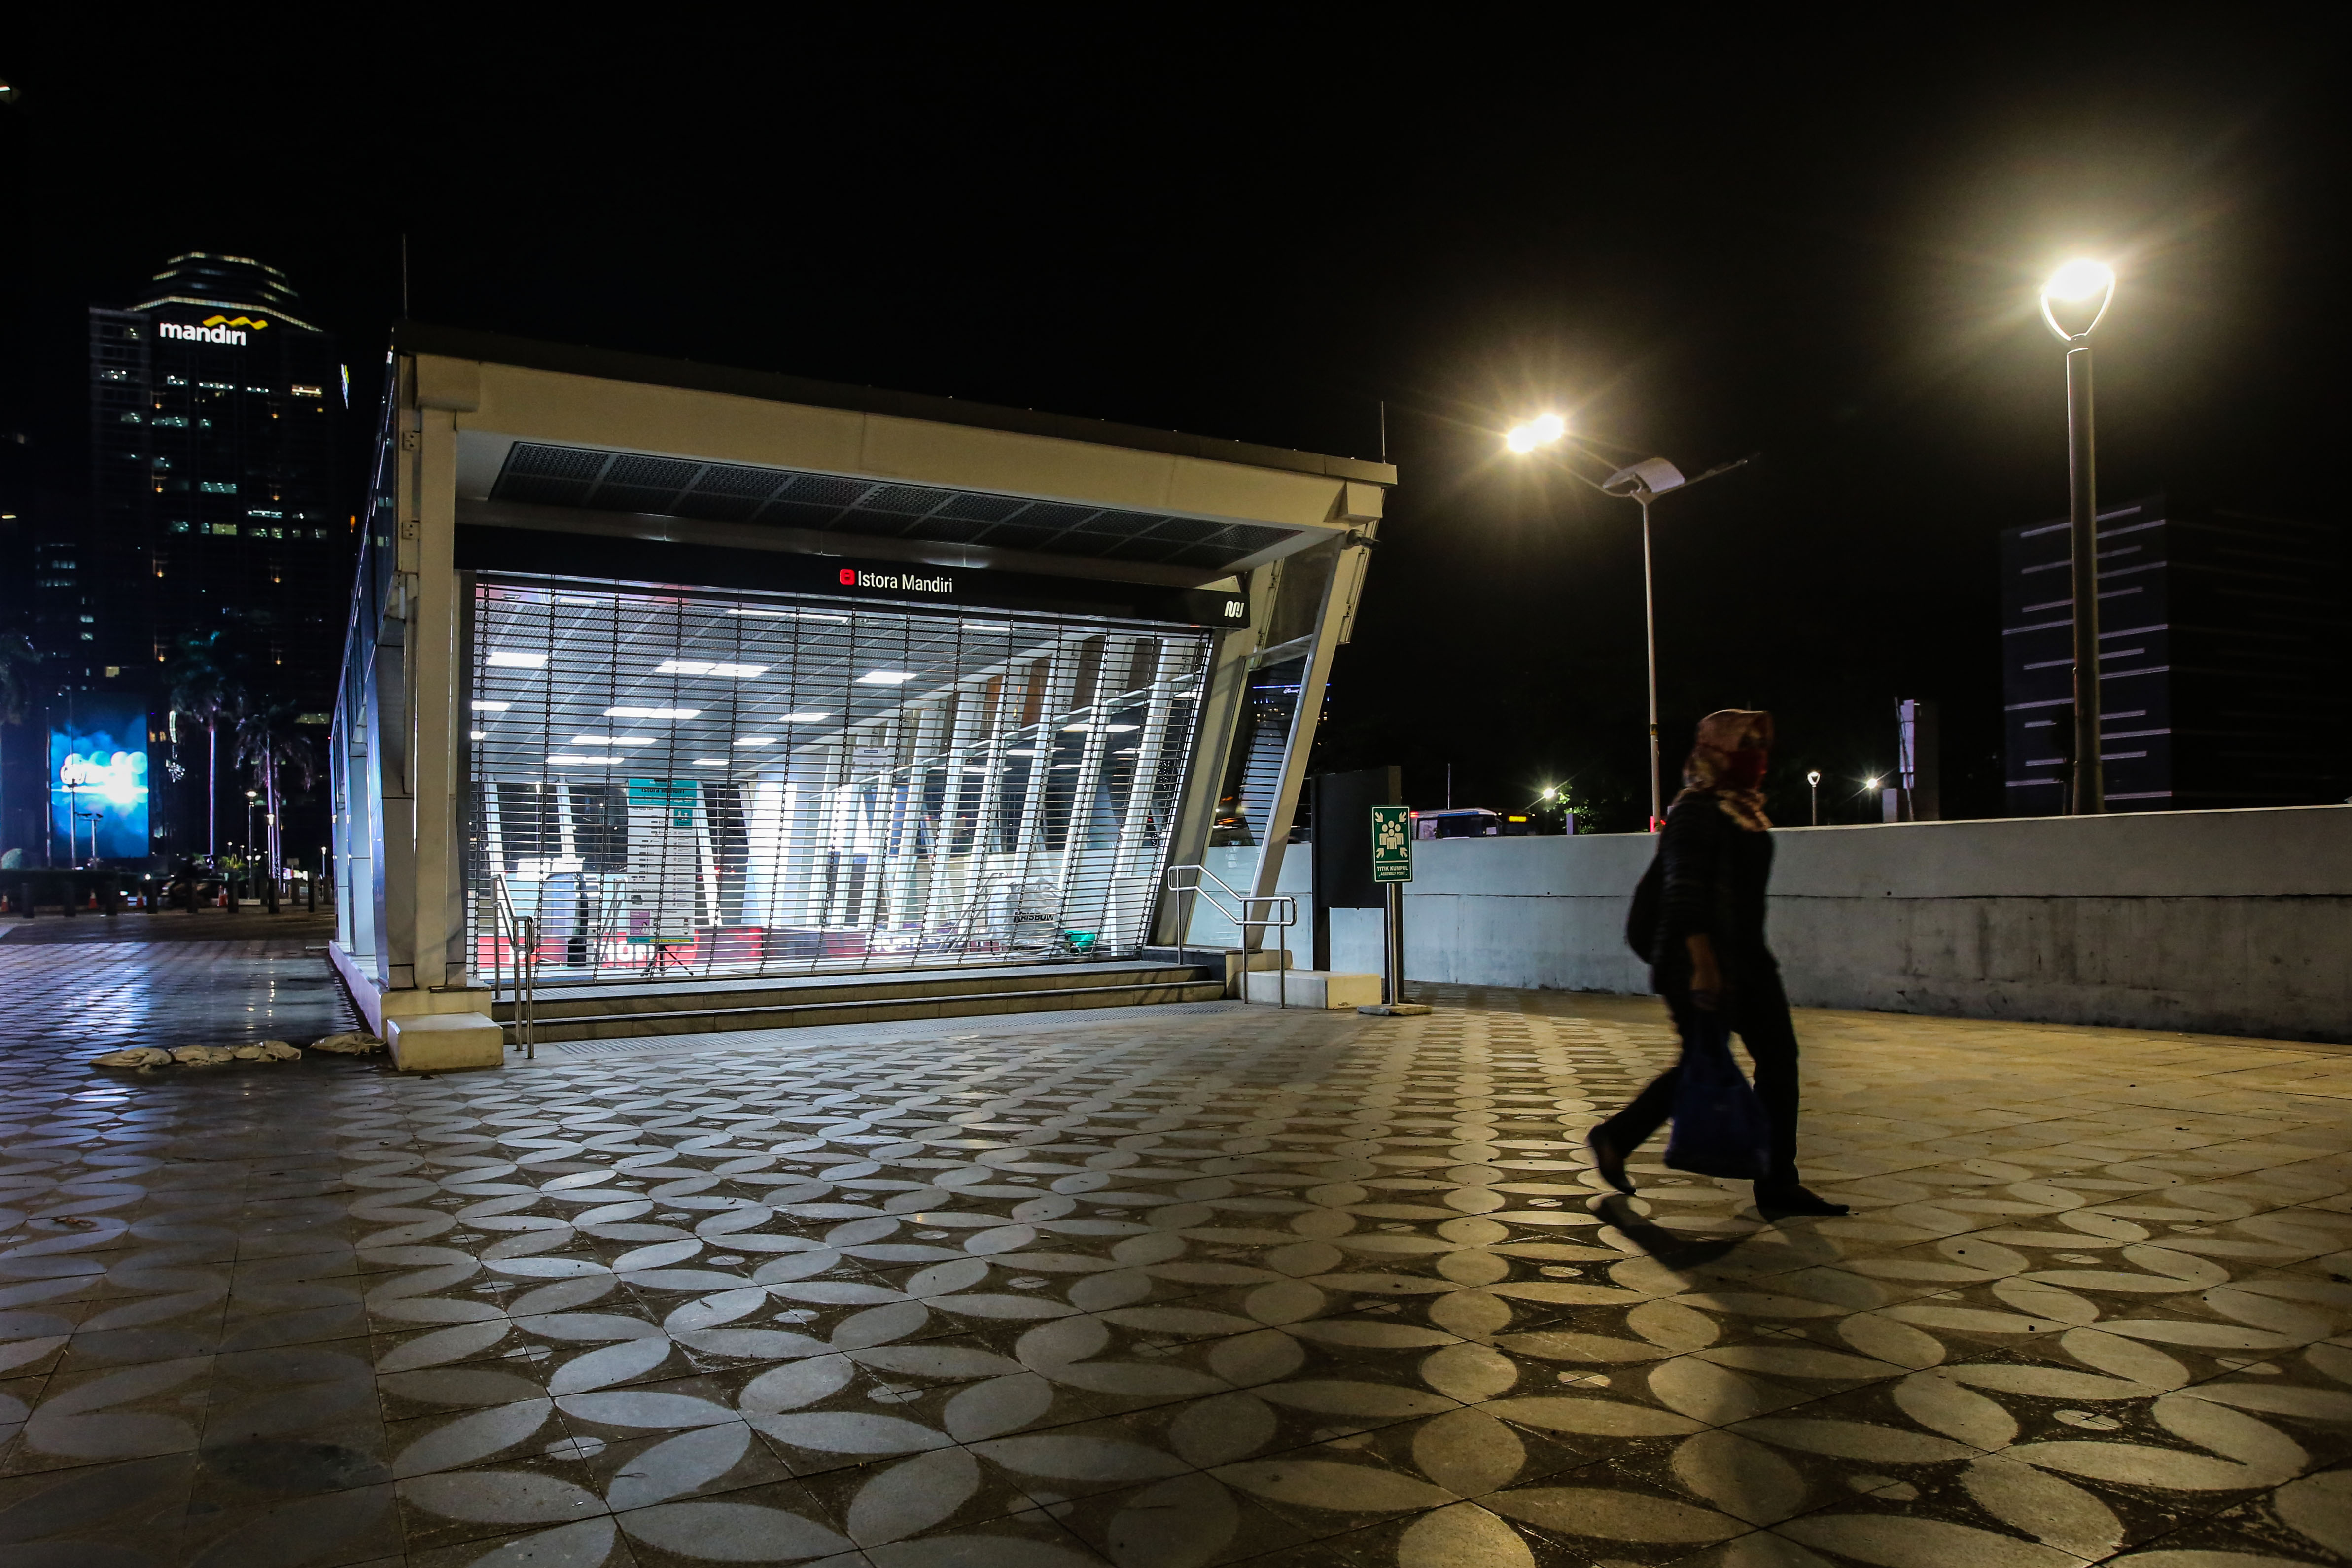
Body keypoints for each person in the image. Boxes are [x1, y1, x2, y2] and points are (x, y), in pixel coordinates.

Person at [1588, 709, 1849, 1219]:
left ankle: (1777, 1183)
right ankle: (1615, 1135)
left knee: (1778, 1061)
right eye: (1747, 745)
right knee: (1702, 1063)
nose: (1759, 757)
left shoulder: (1744, 809)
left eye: (1762, 746)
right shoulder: (1695, 809)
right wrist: (1704, 964)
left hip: (1749, 958)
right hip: (1697, 959)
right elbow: (1684, 892)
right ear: (1718, 749)